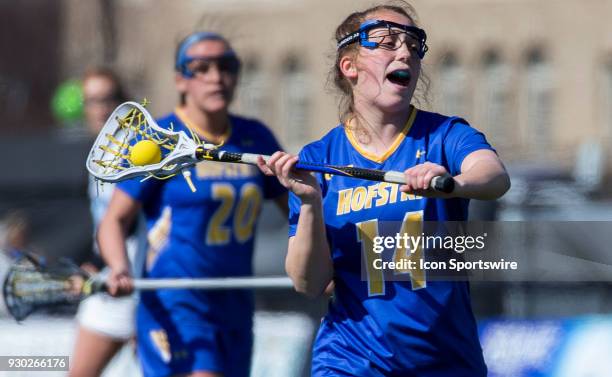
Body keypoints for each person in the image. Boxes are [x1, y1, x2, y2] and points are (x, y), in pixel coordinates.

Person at [257, 2, 511, 376]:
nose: (404, 51)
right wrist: (310, 202)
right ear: (350, 67)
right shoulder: (319, 157)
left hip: (444, 358)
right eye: (388, 42)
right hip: (350, 359)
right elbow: (308, 283)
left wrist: (453, 184)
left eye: (412, 44)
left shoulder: (444, 136)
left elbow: (494, 176)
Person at [99, 31, 288, 377]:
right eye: (201, 68)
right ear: (180, 79)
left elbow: (294, 209)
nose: (216, 77)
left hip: (235, 299)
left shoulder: (255, 135)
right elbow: (114, 220)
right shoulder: (159, 138)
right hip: (176, 299)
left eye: (226, 66)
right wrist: (118, 268)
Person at [70, 67, 146, 377]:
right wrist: (92, 263)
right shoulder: (101, 154)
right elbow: (104, 222)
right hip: (109, 283)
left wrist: (105, 264)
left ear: (122, 103)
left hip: (140, 284)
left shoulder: (137, 150)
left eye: (107, 99)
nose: (100, 108)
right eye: (91, 101)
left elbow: (131, 222)